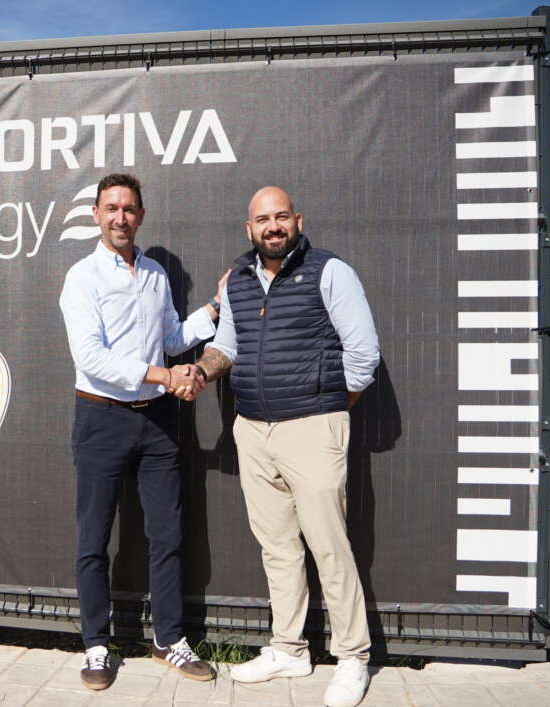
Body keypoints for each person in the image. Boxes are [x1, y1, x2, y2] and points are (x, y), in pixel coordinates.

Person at [178, 186, 379, 707]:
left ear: (297, 220)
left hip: (313, 426)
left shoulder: (330, 271)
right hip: (253, 429)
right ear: (249, 228)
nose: (272, 226)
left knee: (329, 546)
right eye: (262, 219)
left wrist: (328, 406)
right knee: (278, 548)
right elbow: (227, 346)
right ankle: (289, 648)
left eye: (281, 216)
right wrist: (201, 369)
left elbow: (363, 354)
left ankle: (353, 656)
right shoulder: (239, 280)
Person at [58, 173, 226, 690]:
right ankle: (95, 646)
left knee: (167, 535)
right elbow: (91, 357)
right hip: (101, 418)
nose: (120, 217)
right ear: (96, 215)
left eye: (129, 209)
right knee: (93, 538)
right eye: (111, 208)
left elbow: (172, 339)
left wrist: (216, 308)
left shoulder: (154, 274)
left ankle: (168, 640)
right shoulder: (81, 277)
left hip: (157, 422)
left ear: (141, 216)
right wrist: (163, 375)